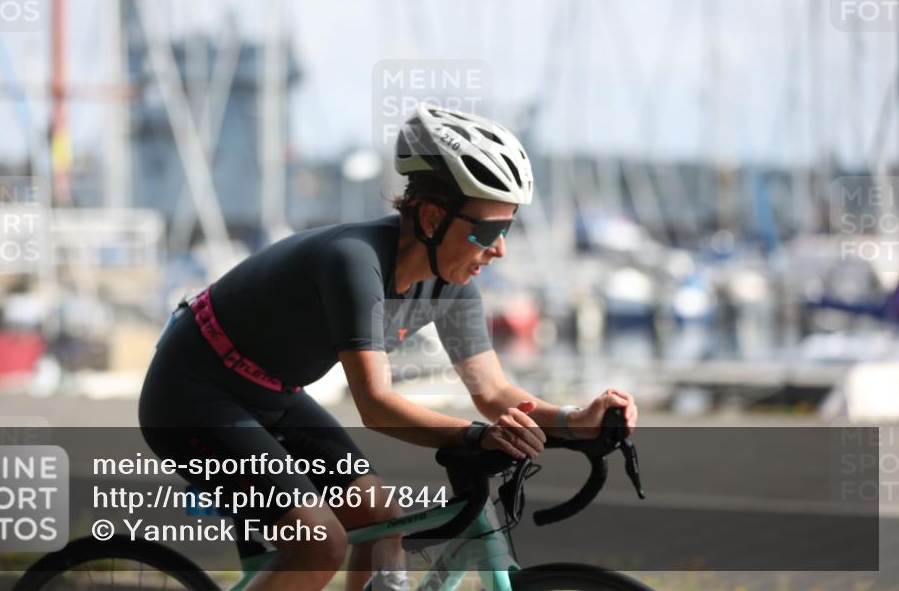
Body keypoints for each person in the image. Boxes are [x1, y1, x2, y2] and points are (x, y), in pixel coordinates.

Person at [138, 102, 639, 591]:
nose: (500, 248)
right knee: (319, 544)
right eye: (488, 229)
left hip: (272, 394)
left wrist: (576, 419)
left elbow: (491, 391)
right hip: (193, 393)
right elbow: (376, 406)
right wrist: (477, 438)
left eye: (507, 227)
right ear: (428, 217)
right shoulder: (354, 261)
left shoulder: (454, 281)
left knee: (381, 519)